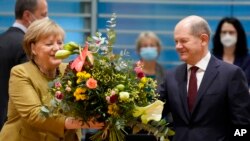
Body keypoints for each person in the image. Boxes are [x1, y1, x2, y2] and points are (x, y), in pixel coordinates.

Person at [0, 18, 103, 141]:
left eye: (60, 43)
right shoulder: (21, 73)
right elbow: (34, 114)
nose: (56, 48)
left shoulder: (71, 70)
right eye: (49, 44)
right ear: (33, 48)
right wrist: (80, 123)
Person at [159, 15, 250, 141]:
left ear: (203, 39)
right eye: (176, 41)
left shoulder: (231, 74)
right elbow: (151, 113)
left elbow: (242, 126)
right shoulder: (171, 76)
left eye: (184, 41)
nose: (178, 46)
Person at [0, 0, 48, 130]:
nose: (47, 20)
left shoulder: (3, 39)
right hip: (15, 125)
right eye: (43, 15)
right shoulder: (27, 46)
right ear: (27, 15)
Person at [212, 17, 250, 87]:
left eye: (231, 32)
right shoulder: (211, 59)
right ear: (219, 34)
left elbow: (245, 83)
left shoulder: (247, 60)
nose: (227, 36)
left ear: (238, 34)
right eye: (224, 32)